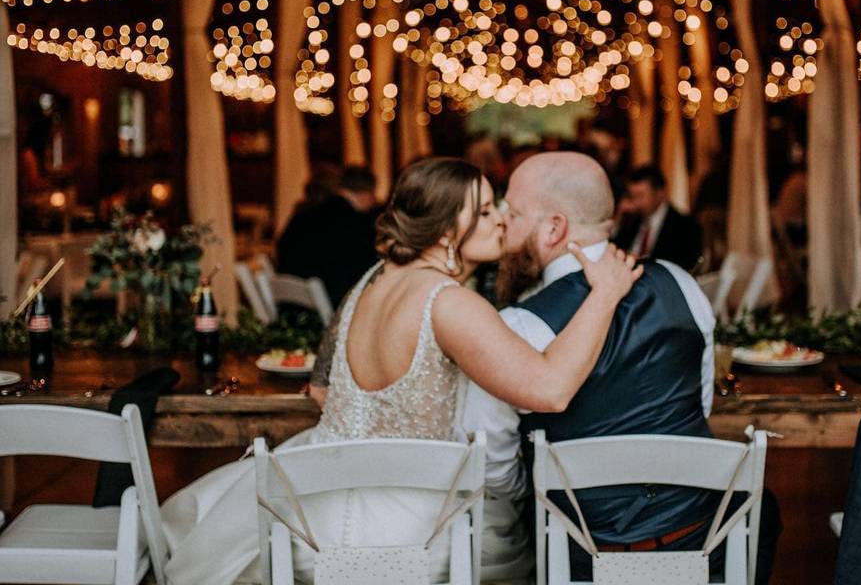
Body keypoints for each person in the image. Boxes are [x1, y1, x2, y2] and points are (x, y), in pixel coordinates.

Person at [161, 158, 642, 584]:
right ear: (444, 230)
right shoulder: (450, 303)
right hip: (413, 531)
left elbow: (324, 390)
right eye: (483, 212)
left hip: (313, 513)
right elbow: (551, 389)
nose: (501, 221)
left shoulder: (370, 282)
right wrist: (605, 294)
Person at [490, 152, 779, 583]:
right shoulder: (680, 283)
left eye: (511, 212)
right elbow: (699, 408)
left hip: (579, 558)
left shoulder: (517, 326)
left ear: (554, 227)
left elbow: (497, 467)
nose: (501, 224)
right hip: (701, 542)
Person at [275, 167, 379, 307]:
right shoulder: (358, 224)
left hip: (290, 310)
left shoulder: (302, 216)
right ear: (366, 194)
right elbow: (370, 271)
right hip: (329, 312)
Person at [614, 166, 704, 271]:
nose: (636, 203)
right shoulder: (631, 220)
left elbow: (682, 267)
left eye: (641, 196)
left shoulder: (686, 226)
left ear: (661, 193)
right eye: (632, 196)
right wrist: (618, 218)